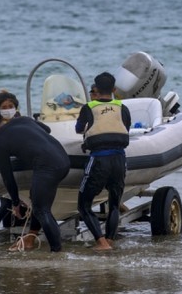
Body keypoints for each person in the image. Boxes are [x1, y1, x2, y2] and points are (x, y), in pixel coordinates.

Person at [0, 106, 70, 252]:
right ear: (2, 118)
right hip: (64, 160)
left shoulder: (0, 145)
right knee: (36, 199)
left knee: (41, 210)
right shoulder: (23, 120)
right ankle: (30, 240)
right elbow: (46, 130)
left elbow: (8, 178)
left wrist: (15, 202)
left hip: (47, 167)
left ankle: (57, 252)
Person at [75, 72, 131, 251]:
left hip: (99, 159)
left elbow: (78, 129)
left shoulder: (89, 107)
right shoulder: (122, 107)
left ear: (96, 89)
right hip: (119, 159)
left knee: (83, 205)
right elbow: (126, 127)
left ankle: (101, 243)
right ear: (114, 89)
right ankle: (110, 240)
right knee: (114, 203)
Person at [0, 90, 26, 231]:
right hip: (5, 166)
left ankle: (7, 231)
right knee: (6, 205)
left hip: (21, 167)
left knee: (18, 204)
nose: (8, 110)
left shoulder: (22, 120)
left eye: (10, 106)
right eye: (4, 107)